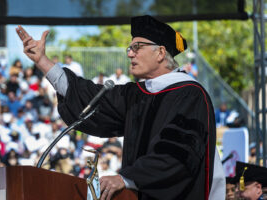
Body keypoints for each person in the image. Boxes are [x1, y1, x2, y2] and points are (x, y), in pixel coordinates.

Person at [16, 15, 224, 200]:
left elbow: (177, 156)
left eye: (137, 48)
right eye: (129, 48)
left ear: (161, 52)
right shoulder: (137, 94)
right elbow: (89, 98)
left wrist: (129, 179)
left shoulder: (189, 95)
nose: (130, 54)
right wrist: (42, 61)